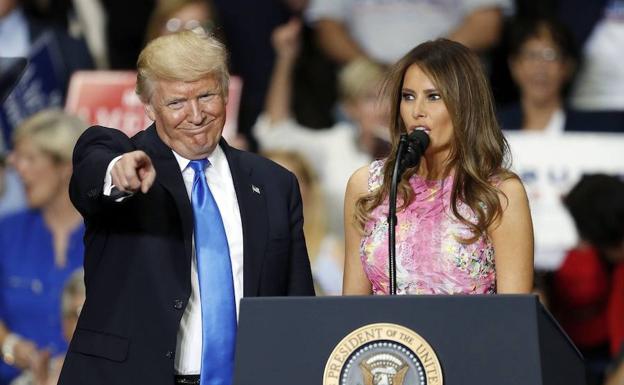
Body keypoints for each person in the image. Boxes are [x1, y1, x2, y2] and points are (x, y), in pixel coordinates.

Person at [57, 29, 314, 385]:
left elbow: (296, 307)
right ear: (148, 106)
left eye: (206, 95)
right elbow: (94, 164)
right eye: (176, 103)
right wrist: (118, 174)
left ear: (225, 93)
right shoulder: (125, 159)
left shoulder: (274, 184)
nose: (195, 115)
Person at [343, 38, 534, 295]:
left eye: (433, 97)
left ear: (465, 106)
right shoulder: (369, 186)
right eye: (408, 97)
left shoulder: (498, 193)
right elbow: (351, 311)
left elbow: (514, 317)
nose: (417, 111)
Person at [255, 18, 388, 237]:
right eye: (371, 98)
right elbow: (275, 133)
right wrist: (286, 59)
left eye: (394, 97)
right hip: (340, 261)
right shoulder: (336, 144)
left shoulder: (419, 152)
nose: (385, 108)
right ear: (350, 107)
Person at [0, 110, 86, 385]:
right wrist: (11, 345)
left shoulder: (110, 237)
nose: (16, 167)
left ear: (64, 167)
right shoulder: (7, 232)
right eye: (15, 157)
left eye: (28, 158)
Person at [499, 17, 624, 133]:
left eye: (550, 55)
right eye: (531, 55)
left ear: (567, 66)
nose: (540, 66)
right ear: (514, 65)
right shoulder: (496, 126)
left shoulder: (593, 129)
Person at [305, 0, 511, 66]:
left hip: (444, 74)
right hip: (369, 88)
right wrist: (377, 72)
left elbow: (486, 25)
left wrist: (422, 64)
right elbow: (327, 27)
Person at [262, 149, 344, 295]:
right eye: (268, 181)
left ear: (309, 188)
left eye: (286, 181)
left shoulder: (332, 252)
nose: (276, 191)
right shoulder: (242, 247)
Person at [10, 269, 85, 385]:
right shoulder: (32, 379)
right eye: (80, 313)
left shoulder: (117, 373)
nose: (92, 325)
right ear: (65, 323)